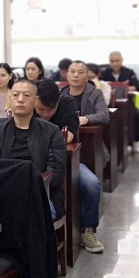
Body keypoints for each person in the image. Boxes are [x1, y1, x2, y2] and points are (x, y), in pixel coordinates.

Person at [34, 79, 104, 253]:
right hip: (36, 162)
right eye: (41, 109)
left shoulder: (67, 102)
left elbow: (69, 137)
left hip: (68, 160)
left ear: (58, 102)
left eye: (50, 110)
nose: (45, 114)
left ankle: (87, 230)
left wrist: (40, 140)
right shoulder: (29, 105)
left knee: (92, 184)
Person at [0, 79, 65, 221]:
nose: (20, 99)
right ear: (10, 99)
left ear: (36, 100)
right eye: (16, 95)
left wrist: (28, 188)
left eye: (27, 95)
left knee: (28, 216)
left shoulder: (51, 131)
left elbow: (56, 172)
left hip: (43, 195)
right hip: (6, 195)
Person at [62, 60, 110, 127]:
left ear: (87, 78)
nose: (76, 75)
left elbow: (104, 115)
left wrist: (87, 119)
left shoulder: (95, 94)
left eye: (80, 72)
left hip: (86, 131)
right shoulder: (61, 94)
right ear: (67, 75)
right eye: (72, 71)